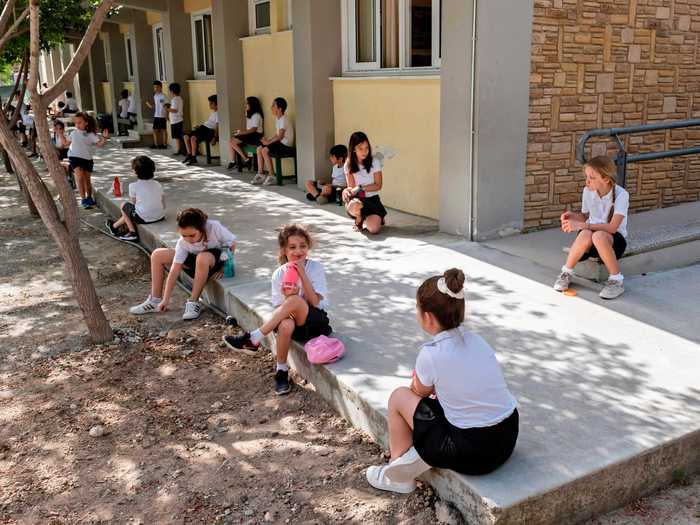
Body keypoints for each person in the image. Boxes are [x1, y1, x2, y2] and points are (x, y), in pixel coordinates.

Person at [366, 269, 519, 494]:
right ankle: (421, 452)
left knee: (399, 397)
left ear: (427, 316)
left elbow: (417, 392)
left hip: (472, 454)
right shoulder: (478, 341)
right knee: (450, 401)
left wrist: (420, 381)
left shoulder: (431, 354)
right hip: (507, 438)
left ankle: (398, 474)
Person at [223, 224, 331, 395]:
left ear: (308, 247)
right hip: (295, 327)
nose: (298, 251)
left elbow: (316, 303)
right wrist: (288, 297)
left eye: (303, 246)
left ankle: (254, 337)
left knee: (295, 301)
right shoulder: (279, 274)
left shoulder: (315, 267)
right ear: (284, 250)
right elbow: (281, 313)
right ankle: (281, 371)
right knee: (286, 324)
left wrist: (302, 274)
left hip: (315, 322)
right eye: (292, 247)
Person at [129, 208, 237, 321]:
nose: (188, 239)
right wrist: (166, 299)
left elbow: (232, 243)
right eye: (184, 235)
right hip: (195, 264)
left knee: (202, 257)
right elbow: (174, 270)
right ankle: (154, 301)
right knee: (157, 255)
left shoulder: (213, 227)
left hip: (214, 260)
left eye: (192, 235)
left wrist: (224, 267)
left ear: (202, 228)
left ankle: (193, 302)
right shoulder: (183, 242)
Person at [553, 156, 630, 300]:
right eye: (587, 176)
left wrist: (582, 225)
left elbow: (612, 228)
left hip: (613, 241)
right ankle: (566, 273)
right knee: (586, 234)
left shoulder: (621, 195)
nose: (587, 181)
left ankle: (616, 281)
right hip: (590, 238)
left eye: (592, 177)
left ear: (606, 179)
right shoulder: (587, 191)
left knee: (598, 235)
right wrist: (573, 217)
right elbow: (585, 216)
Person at [106, 156, 165, 242]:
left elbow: (134, 204)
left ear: (135, 172)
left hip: (144, 219)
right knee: (129, 209)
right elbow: (163, 202)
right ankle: (114, 226)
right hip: (160, 216)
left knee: (124, 205)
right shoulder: (157, 184)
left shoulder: (133, 186)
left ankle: (132, 233)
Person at [342, 131, 387, 233]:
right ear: (353, 149)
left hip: (373, 200)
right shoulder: (348, 164)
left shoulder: (375, 162)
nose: (364, 151)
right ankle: (359, 219)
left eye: (367, 148)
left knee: (374, 229)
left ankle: (378, 217)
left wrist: (361, 187)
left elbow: (378, 185)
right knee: (353, 205)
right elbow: (352, 187)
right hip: (359, 200)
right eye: (360, 148)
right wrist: (346, 191)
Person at [65, 112, 107, 209]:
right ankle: (83, 199)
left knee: (87, 180)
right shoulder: (73, 133)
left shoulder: (91, 134)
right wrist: (60, 134)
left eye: (79, 122)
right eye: (76, 123)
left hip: (87, 158)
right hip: (74, 157)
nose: (77, 125)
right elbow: (65, 143)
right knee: (79, 176)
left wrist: (104, 138)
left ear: (86, 123)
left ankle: (89, 197)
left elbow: (100, 144)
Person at [253, 97, 294, 186]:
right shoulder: (278, 119)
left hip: (285, 146)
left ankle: (272, 175)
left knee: (264, 150)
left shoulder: (284, 119)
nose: (271, 107)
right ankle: (261, 174)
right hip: (280, 143)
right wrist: (268, 141)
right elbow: (277, 135)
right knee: (259, 148)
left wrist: (268, 143)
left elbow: (280, 136)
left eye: (273, 105)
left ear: (280, 108)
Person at [228, 96, 263, 171]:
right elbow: (249, 129)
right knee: (232, 140)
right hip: (250, 134)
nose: (245, 105)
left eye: (247, 103)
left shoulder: (256, 115)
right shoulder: (249, 115)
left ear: (252, 104)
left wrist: (241, 133)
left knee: (232, 141)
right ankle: (233, 161)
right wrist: (240, 132)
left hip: (255, 135)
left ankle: (245, 159)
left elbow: (254, 129)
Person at [183, 94, 218, 166]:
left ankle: (193, 158)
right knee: (186, 136)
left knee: (193, 138)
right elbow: (208, 123)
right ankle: (189, 155)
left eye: (211, 103)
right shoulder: (213, 113)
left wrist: (214, 137)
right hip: (203, 128)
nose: (209, 105)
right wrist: (199, 127)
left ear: (217, 104)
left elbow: (217, 126)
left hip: (209, 131)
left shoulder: (219, 113)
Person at [145, 80, 168, 149]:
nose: (155, 89)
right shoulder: (155, 96)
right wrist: (149, 105)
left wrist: (166, 115)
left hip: (162, 115)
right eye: (154, 87)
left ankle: (164, 145)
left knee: (163, 130)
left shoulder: (163, 96)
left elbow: (166, 106)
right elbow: (157, 105)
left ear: (161, 87)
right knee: (154, 130)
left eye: (157, 87)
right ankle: (156, 144)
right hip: (156, 115)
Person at [165, 82, 185, 155]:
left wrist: (167, 109)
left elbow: (175, 110)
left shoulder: (175, 99)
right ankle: (180, 149)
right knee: (178, 136)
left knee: (177, 136)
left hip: (176, 120)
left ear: (172, 91)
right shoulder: (179, 98)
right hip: (178, 120)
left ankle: (180, 149)